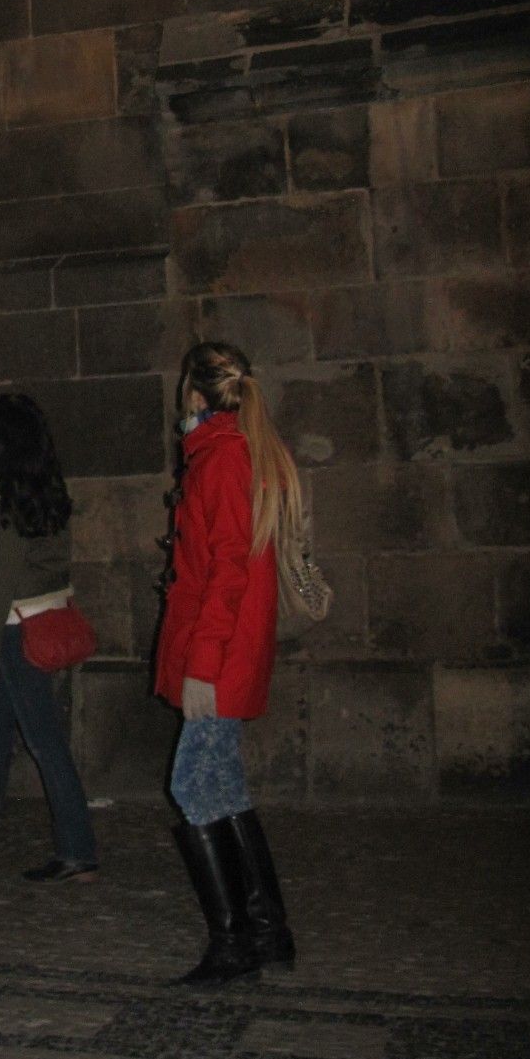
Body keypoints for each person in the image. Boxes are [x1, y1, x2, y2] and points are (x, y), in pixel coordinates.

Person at [154, 340, 298, 986]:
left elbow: (226, 574)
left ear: (194, 393)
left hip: (219, 654)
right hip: (227, 650)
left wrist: (201, 666)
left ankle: (234, 942)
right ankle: (268, 932)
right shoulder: (231, 452)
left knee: (191, 785)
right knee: (224, 787)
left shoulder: (221, 458)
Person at [0, 391, 97, 884]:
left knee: (44, 742)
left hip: (16, 629)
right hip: (38, 620)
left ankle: (78, 849)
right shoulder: (43, 485)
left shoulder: (6, 494)